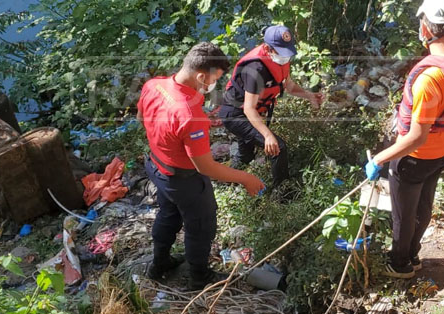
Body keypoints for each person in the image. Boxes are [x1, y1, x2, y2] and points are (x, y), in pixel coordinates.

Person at [364, 0, 444, 279]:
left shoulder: (431, 78)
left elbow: (416, 138)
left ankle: (400, 263)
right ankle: (415, 254)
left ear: (426, 26)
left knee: (404, 214)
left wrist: (380, 160)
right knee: (424, 205)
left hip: (415, 157)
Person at [137, 42, 265, 290]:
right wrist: (245, 178)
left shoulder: (155, 85)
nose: (212, 85)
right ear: (200, 75)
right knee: (201, 227)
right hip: (184, 180)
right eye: (213, 79)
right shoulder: (188, 113)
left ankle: (159, 263)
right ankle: (199, 277)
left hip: (157, 168)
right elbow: (206, 167)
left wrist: (179, 135)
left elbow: (143, 118)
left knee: (168, 214)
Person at [219, 25, 324, 188]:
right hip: (236, 115)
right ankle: (282, 194)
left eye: (287, 52)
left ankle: (225, 185)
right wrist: (268, 135)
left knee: (246, 156)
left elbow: (288, 85)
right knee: (278, 147)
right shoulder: (255, 69)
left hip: (251, 113)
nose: (285, 56)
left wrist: (309, 95)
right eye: (281, 52)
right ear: (268, 48)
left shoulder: (282, 59)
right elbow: (248, 108)